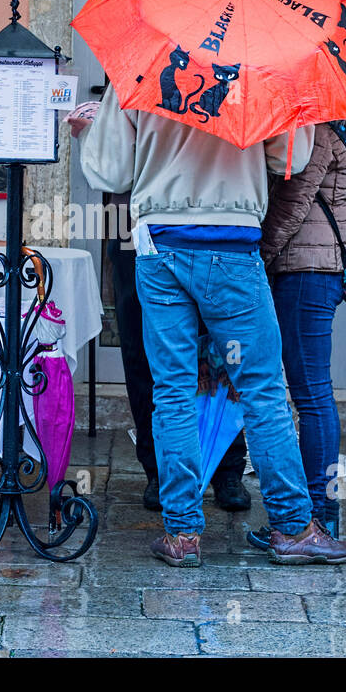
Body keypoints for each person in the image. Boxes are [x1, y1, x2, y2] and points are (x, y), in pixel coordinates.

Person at [81, 85, 346, 567]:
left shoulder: (142, 62)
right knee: (263, 391)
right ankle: (292, 527)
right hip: (232, 244)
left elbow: (109, 171)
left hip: (159, 244)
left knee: (172, 390)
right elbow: (287, 157)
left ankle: (182, 535)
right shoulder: (255, 62)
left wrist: (94, 130)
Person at [258, 105, 346, 545]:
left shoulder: (321, 127)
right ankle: (318, 510)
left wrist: (258, 252)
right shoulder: (344, 124)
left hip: (306, 270)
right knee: (313, 394)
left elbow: (295, 201)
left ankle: (318, 513)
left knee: (312, 396)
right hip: (318, 269)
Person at [107, 215, 250, 513]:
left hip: (205, 220)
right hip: (132, 224)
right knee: (142, 351)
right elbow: (106, 172)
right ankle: (159, 470)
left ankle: (228, 468)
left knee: (223, 348)